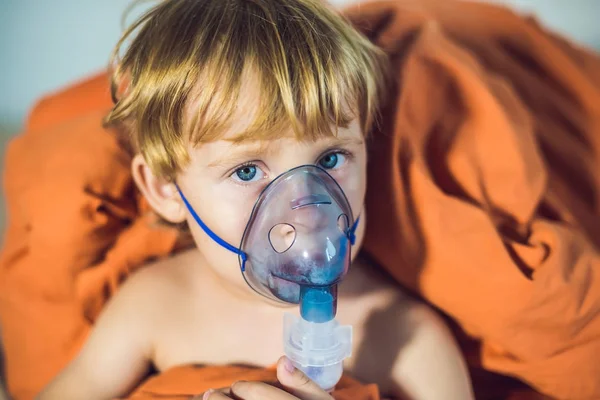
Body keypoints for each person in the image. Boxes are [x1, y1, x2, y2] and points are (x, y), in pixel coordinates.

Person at [37, 0, 474, 399]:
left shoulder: (408, 339)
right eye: (247, 170)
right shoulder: (153, 306)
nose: (304, 206)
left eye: (330, 157)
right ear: (165, 189)